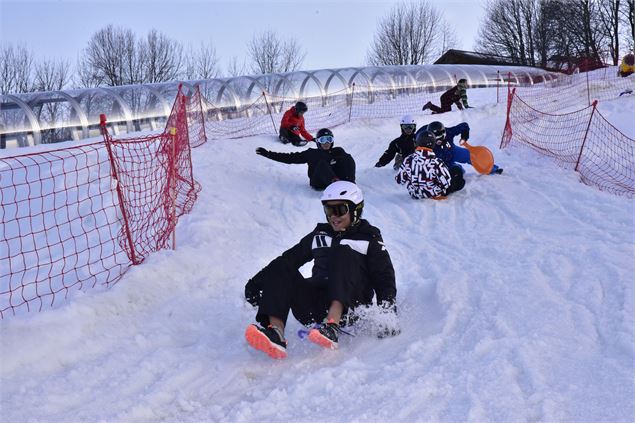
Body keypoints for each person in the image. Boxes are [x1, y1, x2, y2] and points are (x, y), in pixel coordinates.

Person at [244, 180, 399, 359]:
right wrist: (255, 285)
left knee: (342, 250)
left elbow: (384, 276)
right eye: (328, 210)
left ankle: (331, 326)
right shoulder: (320, 235)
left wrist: (387, 313)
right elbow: (288, 259)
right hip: (313, 306)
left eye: (340, 210)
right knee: (283, 266)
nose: (333, 216)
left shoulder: (368, 238)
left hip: (350, 307)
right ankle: (275, 334)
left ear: (355, 210)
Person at [256, 128, 356, 191]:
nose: (326, 143)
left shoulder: (337, 150)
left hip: (335, 179)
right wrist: (269, 154)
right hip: (318, 182)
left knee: (347, 157)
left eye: (329, 139)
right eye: (323, 140)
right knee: (322, 164)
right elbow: (290, 158)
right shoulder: (311, 153)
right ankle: (337, 186)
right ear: (318, 142)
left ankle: (350, 183)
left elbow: (347, 163)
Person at [416, 121, 503, 176]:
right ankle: (458, 167)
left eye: (440, 137)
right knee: (457, 172)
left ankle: (492, 168)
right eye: (435, 139)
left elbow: (464, 125)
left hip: (452, 150)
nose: (438, 141)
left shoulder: (449, 132)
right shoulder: (424, 140)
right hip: (441, 162)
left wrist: (464, 136)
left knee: (472, 156)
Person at [395, 130, 457, 199]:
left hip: (415, 194)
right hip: (433, 194)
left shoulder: (408, 160)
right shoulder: (436, 162)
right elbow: (446, 183)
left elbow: (399, 180)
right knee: (456, 171)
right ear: (433, 144)